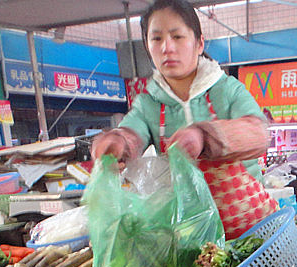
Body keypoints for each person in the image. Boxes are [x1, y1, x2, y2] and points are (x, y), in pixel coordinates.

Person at [92, 0, 277, 238]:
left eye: (177, 37)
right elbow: (131, 132)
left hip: (248, 224)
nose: (167, 48)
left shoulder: (227, 90)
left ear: (199, 43)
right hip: (189, 232)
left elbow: (258, 134)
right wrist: (117, 143)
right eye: (156, 39)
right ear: (147, 47)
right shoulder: (148, 103)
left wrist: (205, 136)